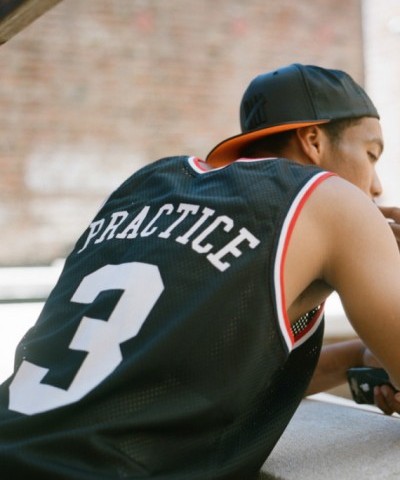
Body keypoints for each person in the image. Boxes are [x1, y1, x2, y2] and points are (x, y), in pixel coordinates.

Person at [1, 63, 400, 479]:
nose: (376, 186)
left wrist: (356, 356)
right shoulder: (332, 198)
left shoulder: (148, 183)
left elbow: (184, 369)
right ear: (313, 140)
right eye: (371, 155)